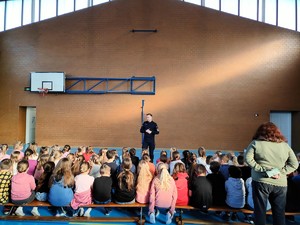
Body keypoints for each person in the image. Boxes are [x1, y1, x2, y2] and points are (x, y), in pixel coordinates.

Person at [245, 122, 298, 225]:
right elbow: (294, 164)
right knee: (279, 213)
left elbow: (248, 159)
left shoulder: (256, 143)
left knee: (260, 212)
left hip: (261, 181)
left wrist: (264, 170)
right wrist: (280, 172)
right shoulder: (285, 146)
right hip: (280, 184)